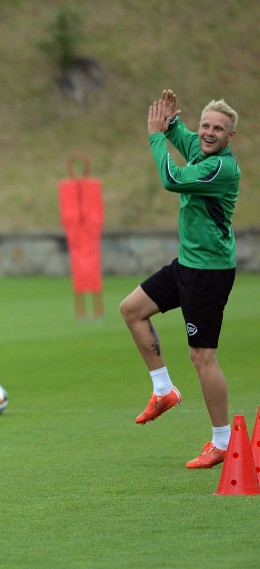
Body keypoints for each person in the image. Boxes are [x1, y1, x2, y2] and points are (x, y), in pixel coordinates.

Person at [119, 89, 240, 469]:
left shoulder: (220, 167)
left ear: (229, 137)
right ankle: (163, 390)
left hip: (209, 273)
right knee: (132, 310)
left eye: (217, 129)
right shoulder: (202, 149)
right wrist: (170, 123)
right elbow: (185, 139)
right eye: (205, 124)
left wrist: (156, 136)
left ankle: (222, 442)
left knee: (203, 357)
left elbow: (172, 178)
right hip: (187, 264)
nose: (208, 132)